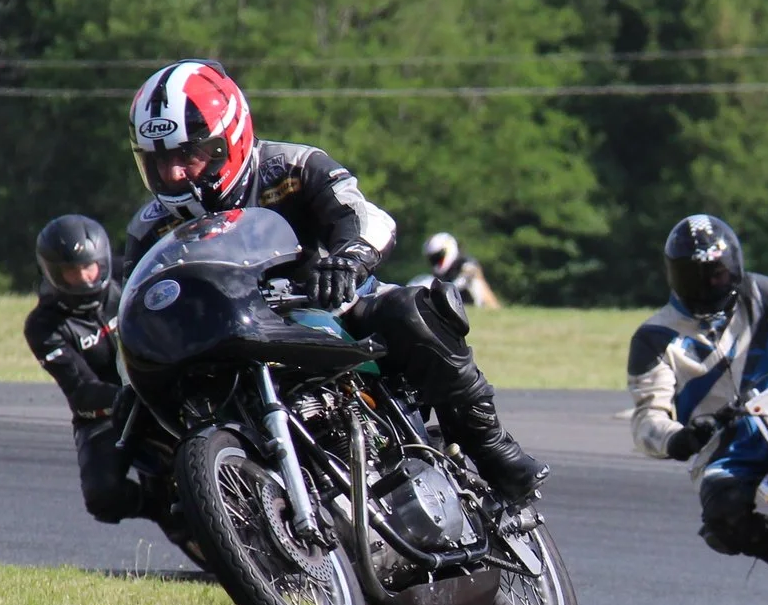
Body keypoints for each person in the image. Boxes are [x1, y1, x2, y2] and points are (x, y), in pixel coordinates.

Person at [121, 58, 547, 500]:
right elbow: (134, 307)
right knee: (129, 431)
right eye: (159, 160)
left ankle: (491, 447)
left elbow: (367, 217)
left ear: (227, 140)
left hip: (329, 310)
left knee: (415, 310)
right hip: (224, 344)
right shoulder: (148, 228)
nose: (173, 174)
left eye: (188, 154)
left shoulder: (292, 167)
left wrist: (349, 261)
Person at [626, 214, 768, 601]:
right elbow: (647, 418)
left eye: (718, 273)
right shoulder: (654, 337)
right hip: (721, 445)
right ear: (674, 276)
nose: (709, 285)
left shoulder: (756, 293)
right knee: (723, 519)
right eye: (695, 276)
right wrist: (679, 438)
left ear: (734, 266)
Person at [24, 213, 145, 523]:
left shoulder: (132, 272)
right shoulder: (43, 325)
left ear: (102, 261)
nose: (84, 278)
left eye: (89, 267)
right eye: (71, 272)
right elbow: (79, 389)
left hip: (163, 380)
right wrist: (123, 398)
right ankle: (166, 510)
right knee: (102, 496)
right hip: (108, 409)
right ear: (53, 273)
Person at [418, 232, 501, 310]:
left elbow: (474, 275)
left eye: (437, 257)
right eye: (433, 259)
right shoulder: (438, 275)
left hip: (475, 306)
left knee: (476, 282)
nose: (436, 262)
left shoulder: (466, 265)